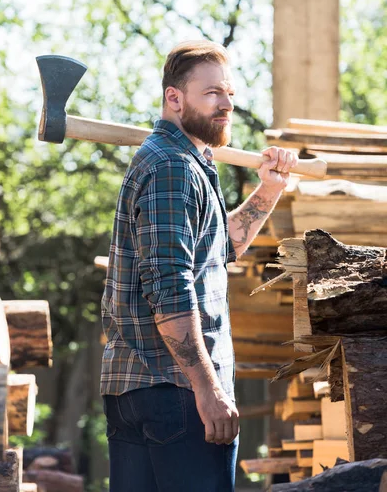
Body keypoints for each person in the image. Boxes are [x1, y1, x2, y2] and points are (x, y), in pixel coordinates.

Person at [101, 40, 298, 492]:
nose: (227, 104)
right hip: (177, 394)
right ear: (175, 98)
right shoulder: (172, 166)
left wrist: (270, 188)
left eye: (229, 93)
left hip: (140, 391)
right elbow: (170, 286)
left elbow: (219, 248)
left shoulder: (182, 162)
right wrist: (207, 391)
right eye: (212, 93)